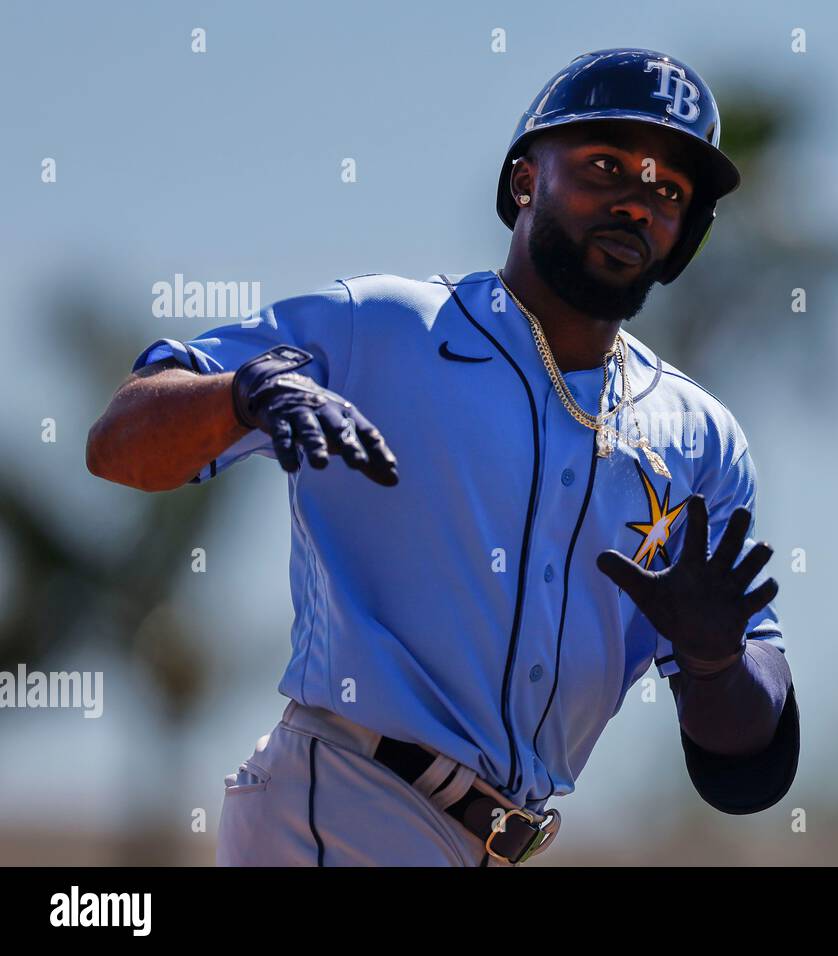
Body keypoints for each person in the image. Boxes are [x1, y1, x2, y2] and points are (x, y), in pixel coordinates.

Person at [85, 47, 799, 867]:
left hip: (501, 844)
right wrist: (238, 394)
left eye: (668, 191)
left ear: (686, 237)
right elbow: (118, 445)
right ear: (526, 180)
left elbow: (747, 766)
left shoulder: (700, 439)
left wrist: (717, 664)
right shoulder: (384, 326)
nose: (637, 204)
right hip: (350, 804)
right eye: (607, 166)